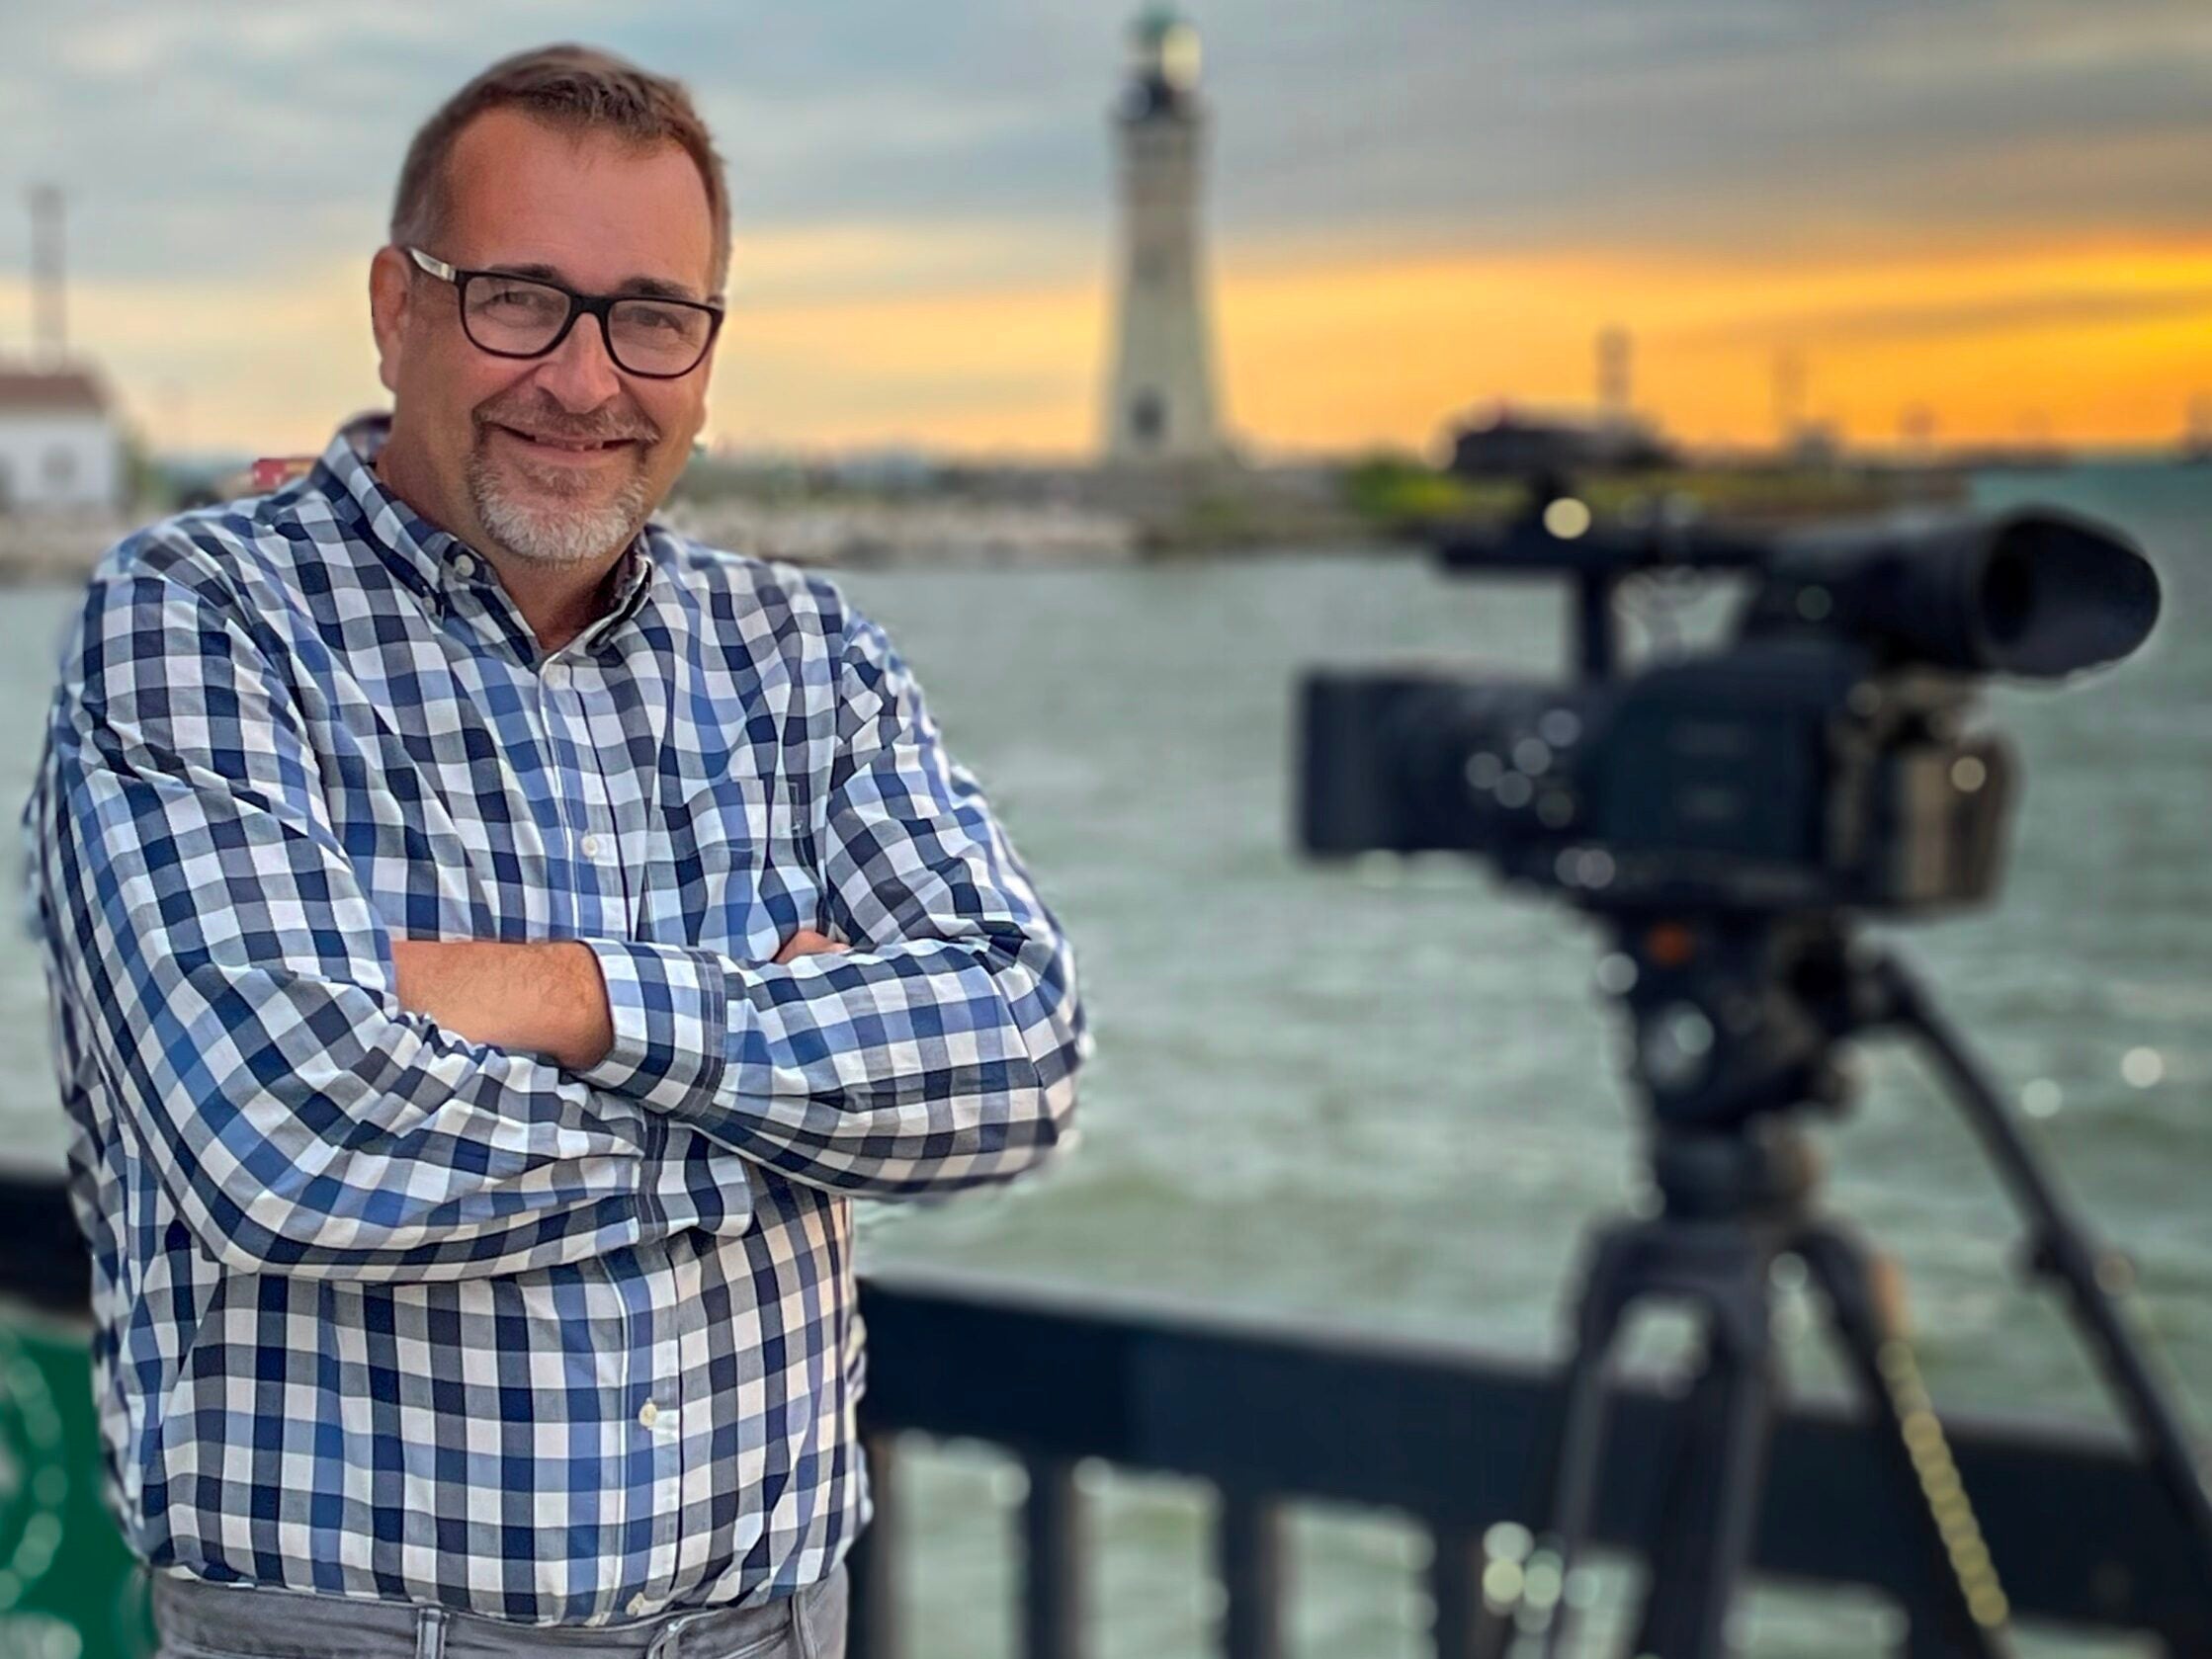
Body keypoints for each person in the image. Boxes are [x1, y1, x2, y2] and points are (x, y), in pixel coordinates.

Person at [19, 41, 1087, 1659]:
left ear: (709, 350)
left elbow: (1017, 1056)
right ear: (397, 306)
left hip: (773, 1626)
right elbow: (287, 1145)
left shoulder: (800, 650)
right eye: (518, 298)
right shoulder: (200, 622)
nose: (588, 380)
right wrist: (793, 1105)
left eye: (654, 315)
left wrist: (574, 1001)